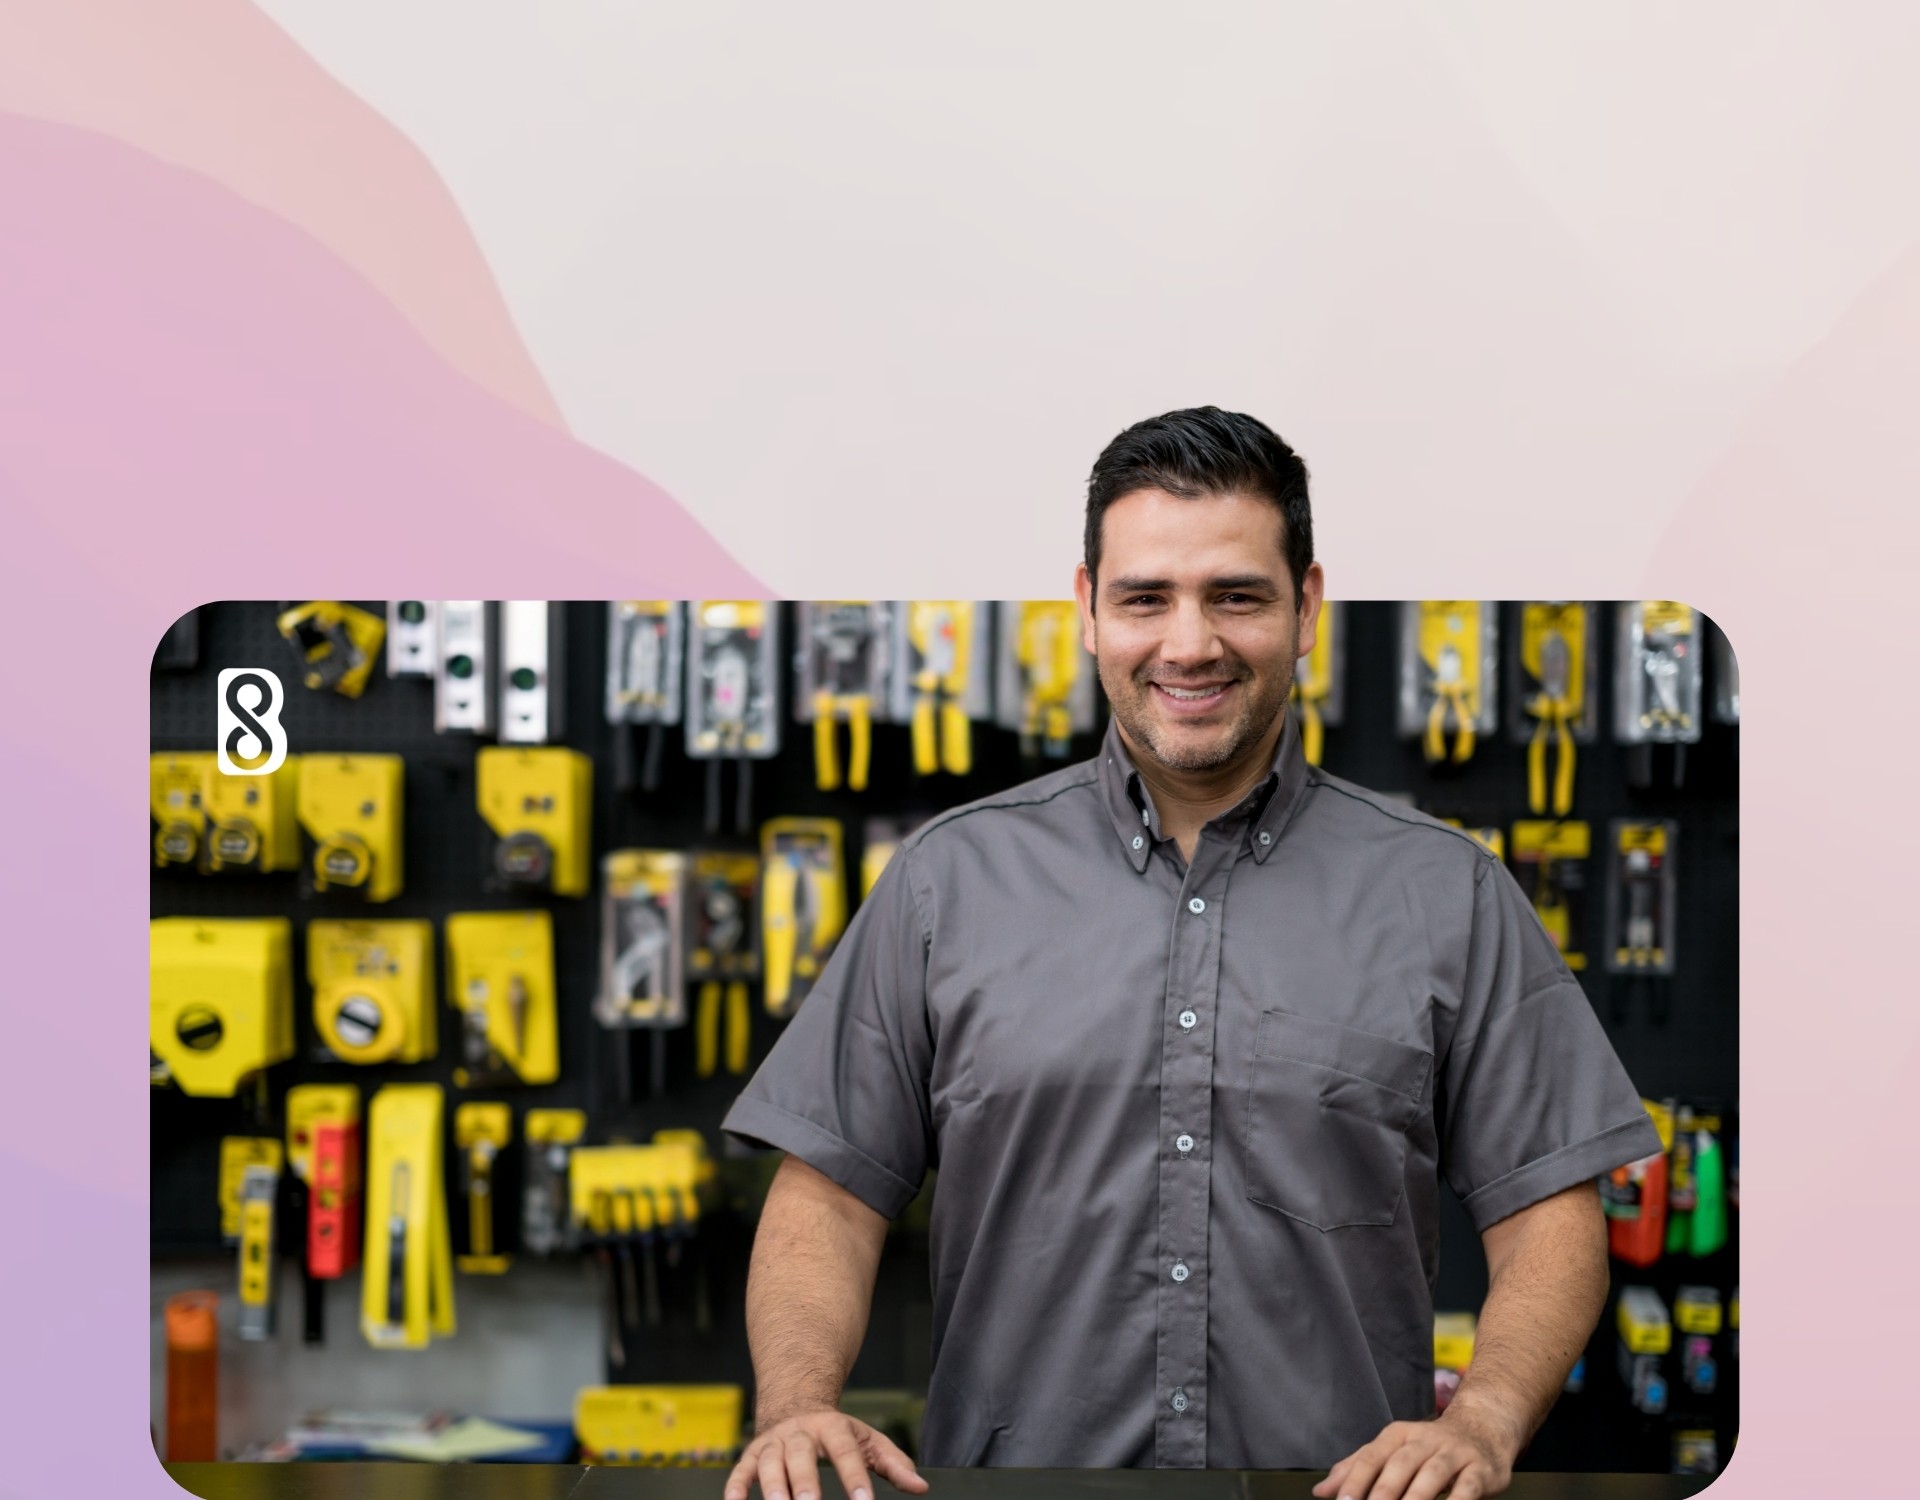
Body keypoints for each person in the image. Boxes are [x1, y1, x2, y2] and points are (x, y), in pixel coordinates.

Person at [721, 407, 1662, 1500]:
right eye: (1144, 598)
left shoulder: (1447, 891)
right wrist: (794, 1408)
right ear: (1086, 609)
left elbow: (1550, 1211)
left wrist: (1487, 1422)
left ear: (1306, 606)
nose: (1188, 643)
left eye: (1237, 595)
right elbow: (827, 1193)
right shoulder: (949, 881)